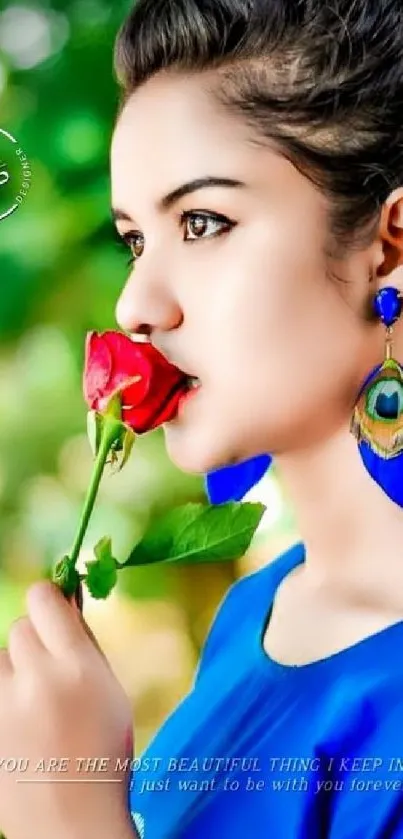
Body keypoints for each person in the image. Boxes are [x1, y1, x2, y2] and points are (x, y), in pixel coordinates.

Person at [0, 1, 403, 838]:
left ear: (389, 244)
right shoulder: (255, 612)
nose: (135, 303)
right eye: (135, 240)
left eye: (202, 222)